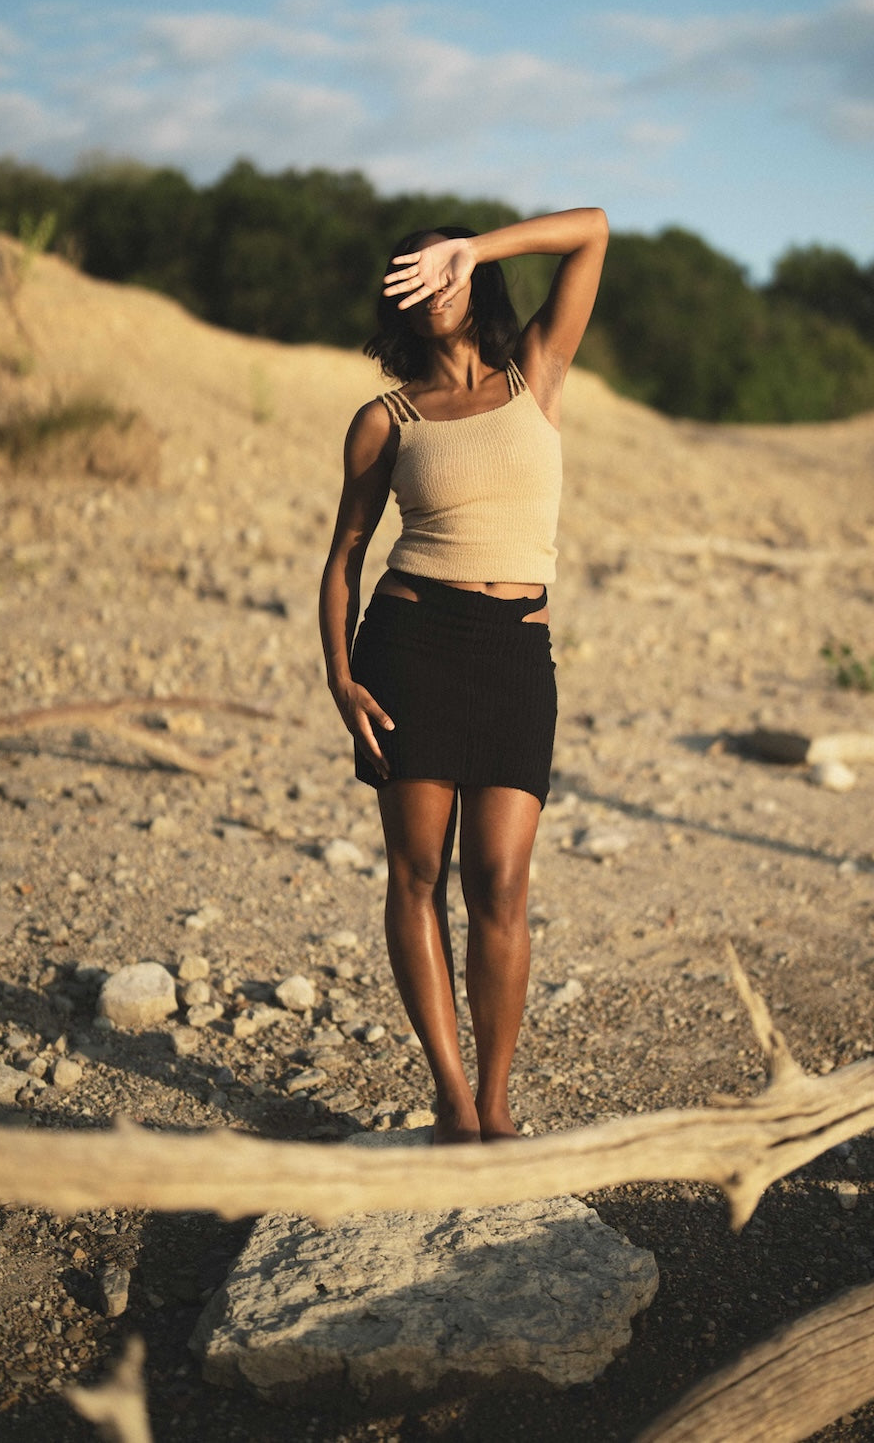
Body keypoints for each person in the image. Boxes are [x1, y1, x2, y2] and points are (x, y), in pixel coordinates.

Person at [319, 209, 608, 1143]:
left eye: (444, 272)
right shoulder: (385, 418)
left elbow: (594, 232)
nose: (434, 287)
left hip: (517, 652)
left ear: (471, 279)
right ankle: (452, 1100)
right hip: (412, 646)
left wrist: (474, 244)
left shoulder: (538, 372)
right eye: (415, 276)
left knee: (502, 881)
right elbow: (346, 557)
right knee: (416, 875)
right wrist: (340, 678)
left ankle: (498, 1100)